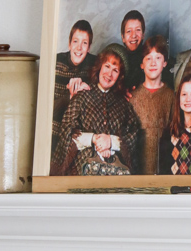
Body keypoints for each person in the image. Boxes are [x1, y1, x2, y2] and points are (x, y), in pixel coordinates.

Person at [51, 47, 140, 176]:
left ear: (120, 76)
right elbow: (67, 131)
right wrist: (93, 139)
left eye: (115, 70)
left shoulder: (123, 104)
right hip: (81, 173)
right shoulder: (82, 96)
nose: (109, 74)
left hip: (114, 175)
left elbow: (133, 136)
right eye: (107, 66)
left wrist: (110, 141)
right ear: (99, 67)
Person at [51, 20, 97, 157]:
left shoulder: (95, 65)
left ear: (89, 47)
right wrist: (70, 97)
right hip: (55, 128)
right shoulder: (56, 63)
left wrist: (87, 92)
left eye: (84, 43)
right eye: (75, 41)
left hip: (81, 131)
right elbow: (47, 110)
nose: (79, 48)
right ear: (69, 43)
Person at [130, 36, 175, 174]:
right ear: (142, 65)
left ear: (165, 63)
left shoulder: (171, 96)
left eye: (158, 58)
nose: (153, 63)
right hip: (139, 169)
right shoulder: (134, 98)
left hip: (165, 167)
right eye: (148, 58)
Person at [159, 75, 191, 175]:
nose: (188, 99)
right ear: (179, 97)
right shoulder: (169, 132)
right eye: (184, 94)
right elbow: (163, 171)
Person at [107, 10, 146, 91]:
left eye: (138, 30)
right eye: (129, 31)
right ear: (123, 37)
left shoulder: (149, 58)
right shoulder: (117, 58)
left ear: (143, 35)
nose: (134, 35)